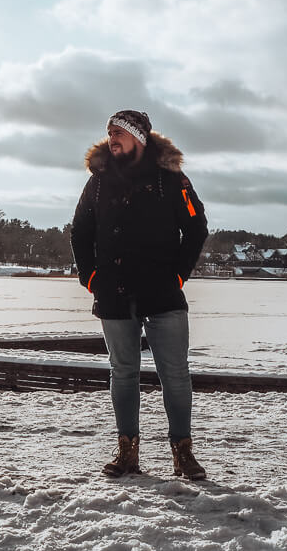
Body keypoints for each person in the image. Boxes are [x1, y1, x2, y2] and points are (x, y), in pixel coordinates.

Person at [71, 110, 209, 480]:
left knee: (176, 374)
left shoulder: (171, 179)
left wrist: (178, 275)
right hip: (113, 292)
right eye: (109, 133)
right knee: (124, 372)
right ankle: (127, 453)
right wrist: (92, 278)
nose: (112, 138)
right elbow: (80, 232)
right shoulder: (98, 182)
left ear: (139, 137)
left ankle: (183, 454)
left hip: (163, 292)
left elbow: (196, 227)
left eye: (119, 132)